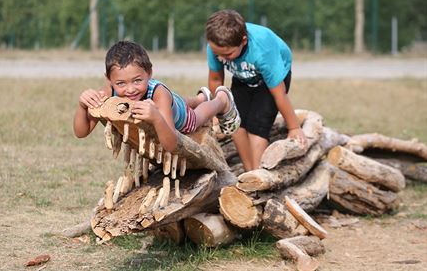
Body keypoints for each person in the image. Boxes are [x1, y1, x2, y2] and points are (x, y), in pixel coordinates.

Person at [73, 40, 240, 152]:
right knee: (180, 101)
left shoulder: (159, 94)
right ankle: (200, 98)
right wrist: (83, 106)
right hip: (171, 102)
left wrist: (156, 118)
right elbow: (81, 132)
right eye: (121, 84)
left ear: (149, 73)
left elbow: (171, 145)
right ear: (109, 80)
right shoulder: (109, 92)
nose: (130, 89)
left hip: (178, 117)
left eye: (137, 80)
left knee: (196, 117)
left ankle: (220, 100)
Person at [205, 9, 306, 171]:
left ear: (243, 41)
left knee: (257, 126)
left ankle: (259, 173)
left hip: (272, 81)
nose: (221, 59)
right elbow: (216, 80)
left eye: (228, 54)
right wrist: (216, 112)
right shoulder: (216, 47)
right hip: (243, 77)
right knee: (234, 123)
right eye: (218, 54)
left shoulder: (262, 50)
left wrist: (293, 127)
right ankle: (249, 172)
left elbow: (279, 94)